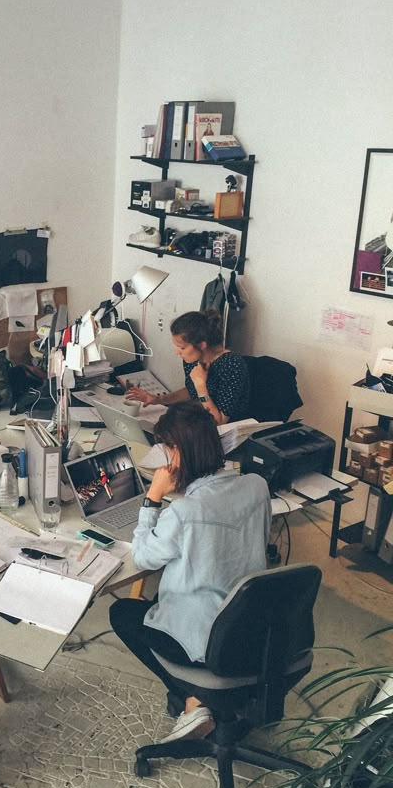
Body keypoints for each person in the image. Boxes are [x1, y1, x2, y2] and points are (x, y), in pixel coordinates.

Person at [110, 402, 271, 742]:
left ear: (177, 454)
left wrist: (153, 499)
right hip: (251, 626)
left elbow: (142, 558)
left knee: (122, 612)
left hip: (206, 638)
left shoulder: (183, 513)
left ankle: (194, 699)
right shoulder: (257, 486)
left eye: (165, 450)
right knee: (163, 593)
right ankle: (205, 697)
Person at [125, 309, 250, 424]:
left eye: (182, 348)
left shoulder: (232, 364)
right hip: (201, 422)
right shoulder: (193, 359)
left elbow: (219, 421)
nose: (177, 352)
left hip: (229, 431)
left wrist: (201, 385)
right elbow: (191, 391)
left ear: (202, 345)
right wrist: (157, 399)